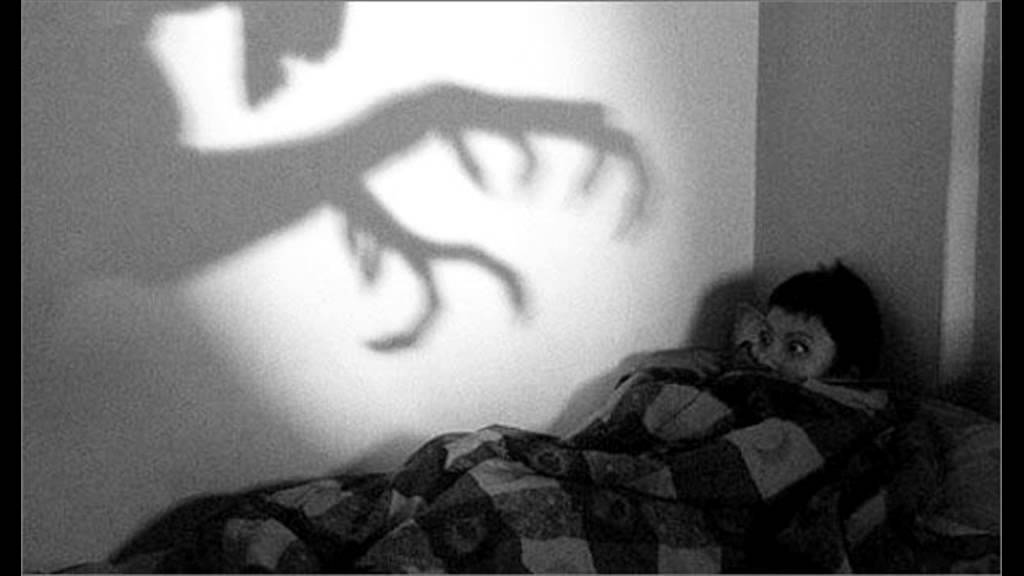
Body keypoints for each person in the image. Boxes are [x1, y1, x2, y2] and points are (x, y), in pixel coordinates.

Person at [627, 260, 883, 383]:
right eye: (766, 338)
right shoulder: (737, 369)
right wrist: (655, 363)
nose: (765, 356)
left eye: (796, 348)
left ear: (846, 375)